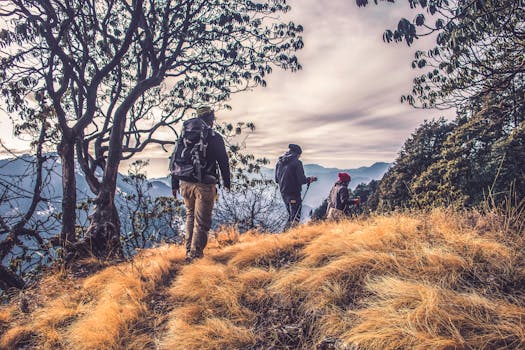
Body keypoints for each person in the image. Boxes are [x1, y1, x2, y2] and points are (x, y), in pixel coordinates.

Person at [171, 106, 231, 262]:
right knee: (202, 222)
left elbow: (175, 157)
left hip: (185, 182)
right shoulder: (214, 137)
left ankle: (189, 251)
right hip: (204, 184)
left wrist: (174, 183)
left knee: (190, 216)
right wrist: (227, 181)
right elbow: (223, 160)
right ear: (210, 119)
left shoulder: (185, 135)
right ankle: (195, 256)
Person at [275, 144, 317, 228]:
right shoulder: (297, 163)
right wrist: (310, 179)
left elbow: (276, 179)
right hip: (294, 194)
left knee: (291, 215)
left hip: (284, 193)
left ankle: (286, 234)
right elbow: (301, 180)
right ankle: (292, 236)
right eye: (299, 155)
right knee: (295, 216)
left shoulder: (279, 162)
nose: (299, 157)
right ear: (297, 154)